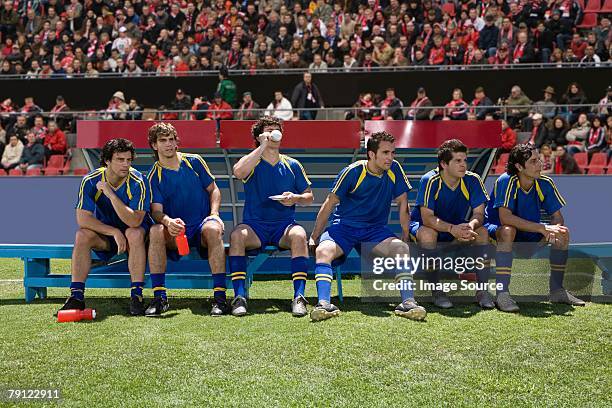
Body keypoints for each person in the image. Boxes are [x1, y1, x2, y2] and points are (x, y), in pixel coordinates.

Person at [308, 132, 426, 322]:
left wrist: (405, 232)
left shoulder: (395, 169)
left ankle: (408, 303)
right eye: (385, 152)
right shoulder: (353, 171)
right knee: (323, 251)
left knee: (401, 249)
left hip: (375, 230)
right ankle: (324, 304)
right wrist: (314, 236)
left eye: (393, 153)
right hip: (344, 227)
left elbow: (403, 203)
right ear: (371, 154)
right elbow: (329, 204)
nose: (390, 157)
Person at [484, 144, 586, 312]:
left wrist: (554, 229)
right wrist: (541, 228)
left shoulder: (545, 182)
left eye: (539, 159)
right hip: (498, 231)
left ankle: (557, 291)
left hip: (529, 232)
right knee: (509, 230)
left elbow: (557, 217)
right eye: (533, 161)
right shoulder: (506, 180)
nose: (539, 164)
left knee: (562, 233)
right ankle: (502, 294)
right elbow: (505, 218)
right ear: (518, 166)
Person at [57, 138, 153, 316]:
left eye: (129, 160)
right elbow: (83, 218)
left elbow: (135, 221)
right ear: (107, 161)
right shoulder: (91, 180)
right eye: (120, 159)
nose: (126, 164)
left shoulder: (139, 181)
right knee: (82, 235)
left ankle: (136, 295)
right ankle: (76, 296)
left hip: (136, 234)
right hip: (109, 235)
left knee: (133, 233)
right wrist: (114, 231)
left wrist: (110, 193)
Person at [230, 116, 313, 317]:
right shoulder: (253, 161)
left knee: (300, 235)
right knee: (236, 236)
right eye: (269, 130)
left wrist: (295, 198)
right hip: (255, 227)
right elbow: (238, 172)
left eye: (277, 130)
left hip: (283, 227)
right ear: (260, 135)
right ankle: (239, 297)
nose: (274, 133)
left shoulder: (292, 164)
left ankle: (299, 297)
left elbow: (309, 197)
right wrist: (261, 146)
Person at [146, 123, 226, 316]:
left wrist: (214, 214)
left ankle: (220, 298)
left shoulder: (194, 161)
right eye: (163, 140)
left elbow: (213, 189)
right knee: (155, 230)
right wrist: (168, 222)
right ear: (154, 145)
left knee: (213, 230)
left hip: (201, 226)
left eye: (171, 139)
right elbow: (156, 211)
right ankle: (159, 297)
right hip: (176, 231)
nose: (168, 144)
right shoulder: (153, 176)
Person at [409, 140, 493, 309]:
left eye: (465, 160)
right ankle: (437, 291)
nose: (463, 165)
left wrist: (470, 225)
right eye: (457, 161)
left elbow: (479, 214)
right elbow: (427, 219)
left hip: (457, 226)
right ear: (443, 164)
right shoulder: (430, 179)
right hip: (427, 226)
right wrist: (451, 229)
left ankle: (482, 291)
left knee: (482, 232)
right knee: (428, 234)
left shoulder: (473, 179)